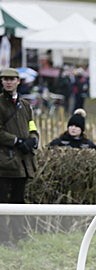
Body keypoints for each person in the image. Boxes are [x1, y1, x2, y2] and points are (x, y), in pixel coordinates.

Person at [0, 68, 39, 245]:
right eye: (5, 79)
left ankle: (19, 234)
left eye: (12, 79)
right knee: (3, 202)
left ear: (18, 81)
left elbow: (32, 126)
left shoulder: (25, 105)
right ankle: (3, 237)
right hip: (4, 160)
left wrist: (33, 140)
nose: (8, 82)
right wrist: (16, 141)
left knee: (19, 200)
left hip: (23, 161)